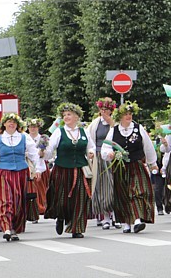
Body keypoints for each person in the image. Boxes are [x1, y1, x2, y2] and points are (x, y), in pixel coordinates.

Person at [0, 113, 44, 241]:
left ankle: (14, 227)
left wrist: (38, 169)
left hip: (21, 173)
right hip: (3, 173)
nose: (11, 124)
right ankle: (6, 228)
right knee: (4, 200)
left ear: (17, 125)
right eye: (9, 121)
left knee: (18, 202)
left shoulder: (24, 138)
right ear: (4, 124)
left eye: (14, 122)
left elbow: (34, 155)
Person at [101, 100, 158, 233]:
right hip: (120, 168)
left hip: (136, 165)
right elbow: (105, 147)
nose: (128, 116)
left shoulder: (138, 128)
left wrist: (152, 163)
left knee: (138, 191)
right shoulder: (114, 131)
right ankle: (127, 222)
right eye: (126, 114)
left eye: (130, 114)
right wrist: (109, 154)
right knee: (123, 194)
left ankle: (138, 220)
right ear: (120, 116)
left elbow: (148, 146)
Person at [44, 102, 95, 238]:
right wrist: (42, 152)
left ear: (77, 117)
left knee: (80, 198)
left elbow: (91, 147)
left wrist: (91, 152)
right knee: (62, 199)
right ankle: (61, 217)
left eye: (69, 114)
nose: (66, 117)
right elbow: (49, 151)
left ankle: (76, 228)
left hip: (80, 170)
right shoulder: (58, 132)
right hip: (62, 170)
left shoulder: (84, 132)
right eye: (64, 115)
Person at [88, 97, 117, 229]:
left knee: (114, 186)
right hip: (99, 157)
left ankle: (116, 215)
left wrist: (111, 122)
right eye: (102, 109)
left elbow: (119, 135)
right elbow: (90, 141)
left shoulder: (115, 123)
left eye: (106, 110)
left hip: (113, 157)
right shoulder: (95, 124)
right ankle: (105, 217)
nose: (103, 112)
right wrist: (91, 152)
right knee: (101, 186)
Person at [26, 118, 50, 223]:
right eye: (31, 127)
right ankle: (33, 210)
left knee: (42, 188)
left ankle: (43, 206)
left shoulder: (42, 139)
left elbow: (46, 153)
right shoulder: (25, 138)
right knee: (32, 189)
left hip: (41, 165)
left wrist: (42, 153)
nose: (32, 129)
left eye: (35, 127)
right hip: (29, 165)